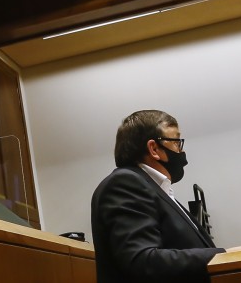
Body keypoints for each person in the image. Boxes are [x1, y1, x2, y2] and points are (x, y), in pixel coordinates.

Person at [90, 110, 225, 283]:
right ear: (154, 149)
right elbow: (142, 261)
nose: (181, 151)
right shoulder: (125, 183)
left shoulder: (155, 189)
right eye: (177, 142)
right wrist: (223, 256)